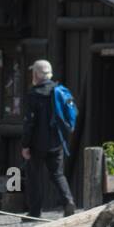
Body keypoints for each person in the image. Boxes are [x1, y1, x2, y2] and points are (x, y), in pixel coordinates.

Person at [20, 59, 77, 218]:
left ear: (37, 74)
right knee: (58, 174)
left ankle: (35, 212)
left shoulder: (34, 94)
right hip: (56, 142)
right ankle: (68, 201)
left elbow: (29, 123)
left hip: (37, 144)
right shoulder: (58, 90)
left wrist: (25, 145)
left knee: (34, 177)